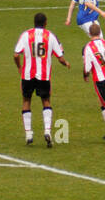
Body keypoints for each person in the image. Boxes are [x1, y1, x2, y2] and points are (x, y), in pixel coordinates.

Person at [14, 12, 70, 147]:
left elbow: (16, 54)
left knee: (26, 100)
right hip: (43, 75)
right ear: (45, 23)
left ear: (34, 22)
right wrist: (66, 63)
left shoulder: (26, 34)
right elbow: (60, 57)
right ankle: (47, 131)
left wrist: (19, 67)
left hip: (27, 74)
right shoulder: (50, 36)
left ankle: (28, 133)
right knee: (46, 101)